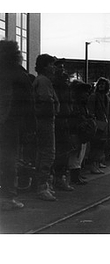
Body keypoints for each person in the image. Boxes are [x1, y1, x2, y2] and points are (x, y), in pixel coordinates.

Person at [0, 40, 35, 210]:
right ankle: (7, 198)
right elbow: (28, 104)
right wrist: (30, 128)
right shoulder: (19, 74)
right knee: (9, 160)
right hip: (10, 124)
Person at [33, 54, 60, 201]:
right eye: (51, 64)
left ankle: (42, 184)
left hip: (43, 120)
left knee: (43, 152)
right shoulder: (44, 82)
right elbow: (46, 101)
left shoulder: (41, 80)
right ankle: (42, 185)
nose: (54, 68)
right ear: (45, 66)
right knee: (48, 152)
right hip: (46, 121)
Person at [52, 63, 74, 191]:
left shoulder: (63, 86)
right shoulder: (56, 85)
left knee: (62, 150)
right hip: (59, 119)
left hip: (63, 119)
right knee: (60, 150)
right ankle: (58, 178)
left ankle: (58, 178)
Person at [68, 81, 95, 185]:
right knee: (76, 154)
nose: (87, 94)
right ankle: (74, 177)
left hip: (81, 132)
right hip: (76, 131)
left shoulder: (83, 104)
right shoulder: (76, 104)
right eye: (85, 92)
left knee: (80, 154)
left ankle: (76, 175)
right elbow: (75, 117)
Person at [88, 77, 110, 173]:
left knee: (101, 145)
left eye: (103, 84)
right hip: (98, 123)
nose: (101, 86)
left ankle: (97, 163)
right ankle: (93, 164)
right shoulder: (94, 96)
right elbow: (91, 109)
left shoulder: (106, 98)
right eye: (100, 84)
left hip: (104, 124)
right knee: (96, 145)